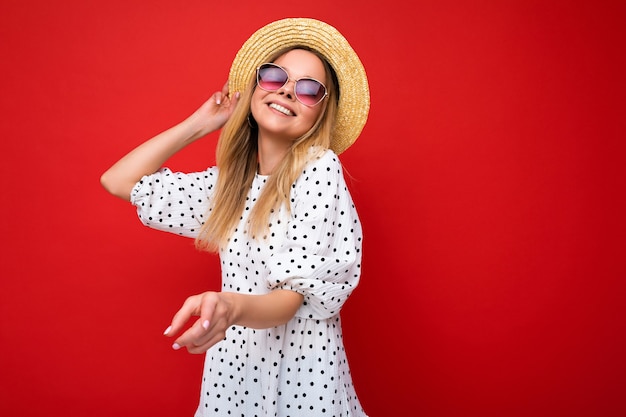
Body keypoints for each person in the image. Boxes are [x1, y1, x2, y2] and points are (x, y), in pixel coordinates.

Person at [101, 17, 370, 417]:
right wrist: (200, 125)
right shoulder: (229, 186)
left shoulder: (319, 168)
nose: (288, 92)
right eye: (275, 76)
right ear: (257, 85)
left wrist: (228, 307)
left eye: (309, 89)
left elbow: (289, 301)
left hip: (301, 379)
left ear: (320, 113)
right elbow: (117, 180)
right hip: (234, 376)